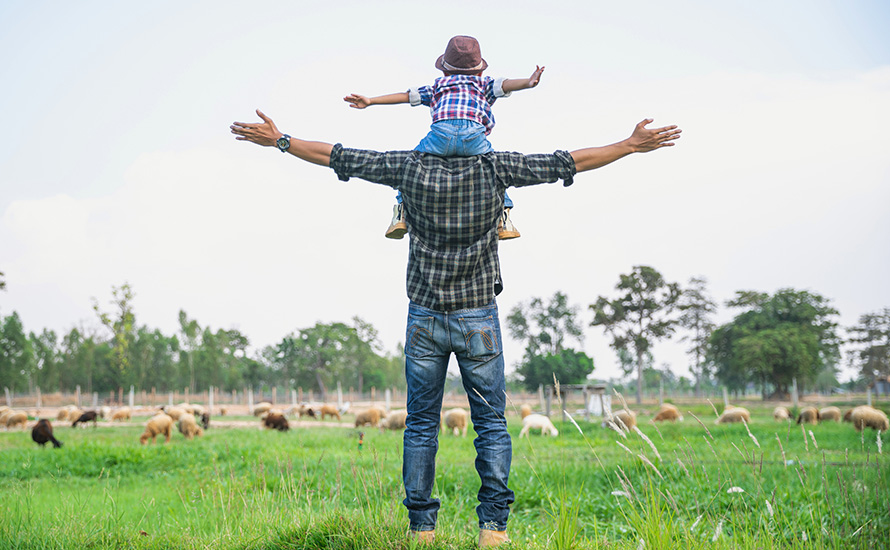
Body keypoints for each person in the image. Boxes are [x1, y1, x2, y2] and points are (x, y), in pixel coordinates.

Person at [230, 109, 680, 547]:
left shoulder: (407, 166)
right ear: (480, 119)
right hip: (477, 317)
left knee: (421, 426)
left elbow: (340, 156)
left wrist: (282, 140)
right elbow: (568, 162)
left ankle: (422, 532)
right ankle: (493, 530)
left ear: (435, 119)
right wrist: (629, 145)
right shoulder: (496, 167)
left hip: (425, 315)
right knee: (491, 426)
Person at [344, 35, 544, 240]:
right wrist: (529, 82)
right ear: (480, 69)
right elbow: (508, 85)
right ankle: (504, 218)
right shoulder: (483, 84)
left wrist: (371, 101)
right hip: (473, 137)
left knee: (411, 164)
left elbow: (405, 96)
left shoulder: (438, 86)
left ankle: (401, 212)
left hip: (441, 135)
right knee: (495, 169)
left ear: (444, 69)